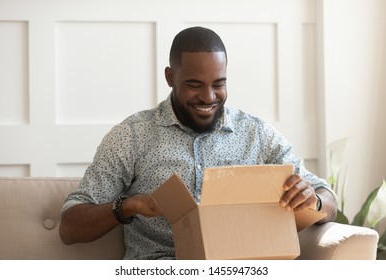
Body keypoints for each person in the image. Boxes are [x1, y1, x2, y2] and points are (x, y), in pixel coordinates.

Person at [59, 26, 337, 259]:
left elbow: (328, 198)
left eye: (219, 83)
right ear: (170, 77)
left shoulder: (257, 134)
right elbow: (70, 227)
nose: (208, 97)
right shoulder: (132, 136)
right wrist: (128, 206)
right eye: (194, 85)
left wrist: (314, 200)